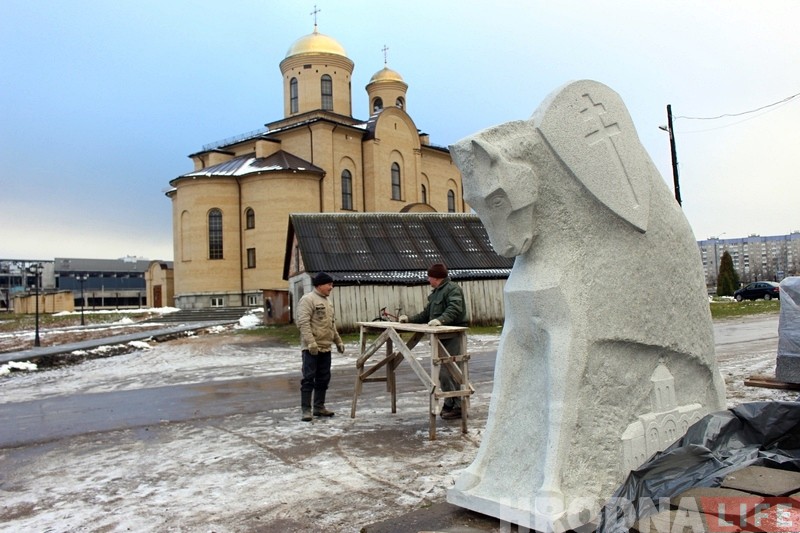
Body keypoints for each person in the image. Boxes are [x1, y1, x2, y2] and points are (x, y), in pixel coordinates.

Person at [399, 263, 468, 420]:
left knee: (452, 370)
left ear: (437, 277)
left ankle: (458, 405)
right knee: (442, 372)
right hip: (440, 336)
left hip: (452, 336)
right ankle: (450, 403)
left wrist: (441, 320)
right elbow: (426, 314)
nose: (428, 279)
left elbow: (454, 308)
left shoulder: (452, 289)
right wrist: (409, 319)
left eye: (430, 276)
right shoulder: (437, 293)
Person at [296, 271, 345, 422]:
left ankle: (319, 407)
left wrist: (338, 341)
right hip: (311, 348)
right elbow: (303, 323)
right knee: (309, 378)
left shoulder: (327, 302)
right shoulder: (308, 299)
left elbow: (331, 325)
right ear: (319, 285)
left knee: (323, 378)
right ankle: (306, 410)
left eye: (332, 284)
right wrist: (310, 342)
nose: (331, 287)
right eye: (329, 284)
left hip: (326, 347)